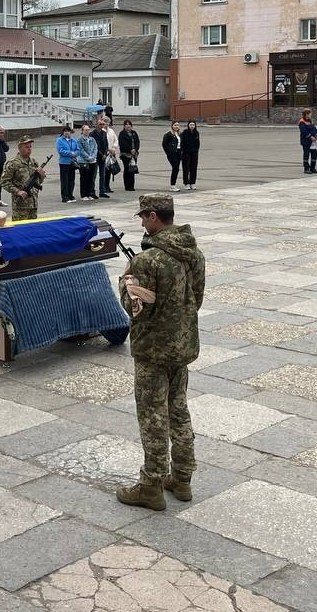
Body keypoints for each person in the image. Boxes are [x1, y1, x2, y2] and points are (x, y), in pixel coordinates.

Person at [115, 193, 205, 511]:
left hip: (153, 349)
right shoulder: (193, 253)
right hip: (183, 345)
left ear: (154, 216)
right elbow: (196, 298)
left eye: (143, 216)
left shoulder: (147, 261)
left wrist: (126, 281)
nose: (141, 221)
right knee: (178, 411)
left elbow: (134, 308)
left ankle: (151, 484)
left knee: (153, 416)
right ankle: (182, 479)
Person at [1, 137, 45, 222]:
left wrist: (41, 175)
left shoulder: (34, 162)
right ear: (19, 148)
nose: (29, 149)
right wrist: (18, 191)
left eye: (30, 147)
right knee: (19, 231)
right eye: (26, 147)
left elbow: (39, 181)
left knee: (32, 230)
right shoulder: (12, 163)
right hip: (20, 206)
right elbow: (4, 182)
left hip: (33, 204)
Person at [56, 125, 79, 203]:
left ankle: (70, 195)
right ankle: (65, 197)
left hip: (72, 163)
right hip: (64, 163)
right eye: (65, 131)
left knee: (71, 180)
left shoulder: (73, 140)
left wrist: (75, 153)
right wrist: (70, 153)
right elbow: (60, 151)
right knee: (64, 180)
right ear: (63, 132)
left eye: (68, 131)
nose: (67, 133)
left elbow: (78, 149)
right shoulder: (59, 140)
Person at [76, 122, 99, 201]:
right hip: (83, 161)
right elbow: (81, 150)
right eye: (85, 130)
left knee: (90, 178)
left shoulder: (92, 139)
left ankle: (89, 193)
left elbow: (95, 148)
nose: (87, 131)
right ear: (82, 131)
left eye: (88, 130)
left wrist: (93, 157)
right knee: (84, 178)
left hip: (92, 161)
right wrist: (88, 157)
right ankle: (83, 194)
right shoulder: (80, 139)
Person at [91, 119, 113, 197]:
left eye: (103, 124)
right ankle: (92, 192)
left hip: (103, 156)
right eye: (100, 124)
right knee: (94, 175)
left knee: (102, 175)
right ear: (96, 124)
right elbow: (95, 146)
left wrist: (105, 153)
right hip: (96, 156)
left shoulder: (104, 133)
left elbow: (106, 144)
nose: (102, 126)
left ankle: (102, 191)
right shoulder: (92, 133)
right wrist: (101, 154)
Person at [179, 120, 200, 191]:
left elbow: (198, 143)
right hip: (186, 153)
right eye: (190, 125)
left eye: (193, 125)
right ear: (188, 125)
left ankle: (192, 183)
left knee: (194, 168)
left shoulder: (196, 133)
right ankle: (186, 183)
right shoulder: (185, 132)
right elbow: (182, 143)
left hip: (194, 153)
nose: (192, 126)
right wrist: (183, 150)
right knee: (186, 168)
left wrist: (196, 150)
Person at [298, 109, 317, 174]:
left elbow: (314, 129)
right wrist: (310, 137)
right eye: (310, 114)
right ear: (306, 114)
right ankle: (306, 168)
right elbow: (304, 131)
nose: (311, 115)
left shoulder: (310, 121)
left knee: (314, 153)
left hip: (312, 142)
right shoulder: (302, 122)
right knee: (306, 155)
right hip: (306, 141)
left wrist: (316, 135)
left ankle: (312, 168)